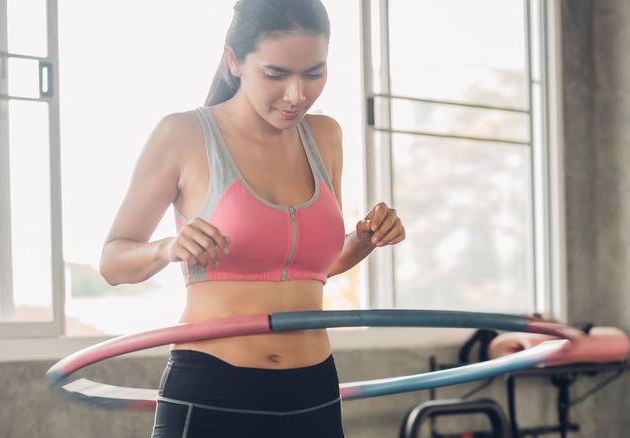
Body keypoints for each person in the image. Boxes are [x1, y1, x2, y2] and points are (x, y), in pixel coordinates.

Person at [99, 0, 405, 436]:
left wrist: (365, 241)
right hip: (213, 389)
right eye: (276, 75)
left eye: (314, 73)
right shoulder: (182, 135)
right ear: (234, 61)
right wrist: (166, 248)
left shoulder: (326, 137)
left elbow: (306, 268)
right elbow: (112, 263)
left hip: (313, 389)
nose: (297, 95)